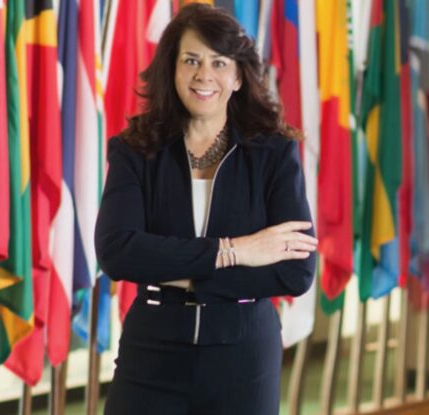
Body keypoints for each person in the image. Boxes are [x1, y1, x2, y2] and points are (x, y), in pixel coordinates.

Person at [95, 4, 318, 414]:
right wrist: (236, 252)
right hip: (153, 351)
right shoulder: (135, 149)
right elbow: (117, 251)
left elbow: (296, 270)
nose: (204, 75)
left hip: (243, 356)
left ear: (237, 76)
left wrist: (180, 274)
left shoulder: (274, 152)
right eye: (191, 60)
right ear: (172, 69)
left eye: (219, 62)